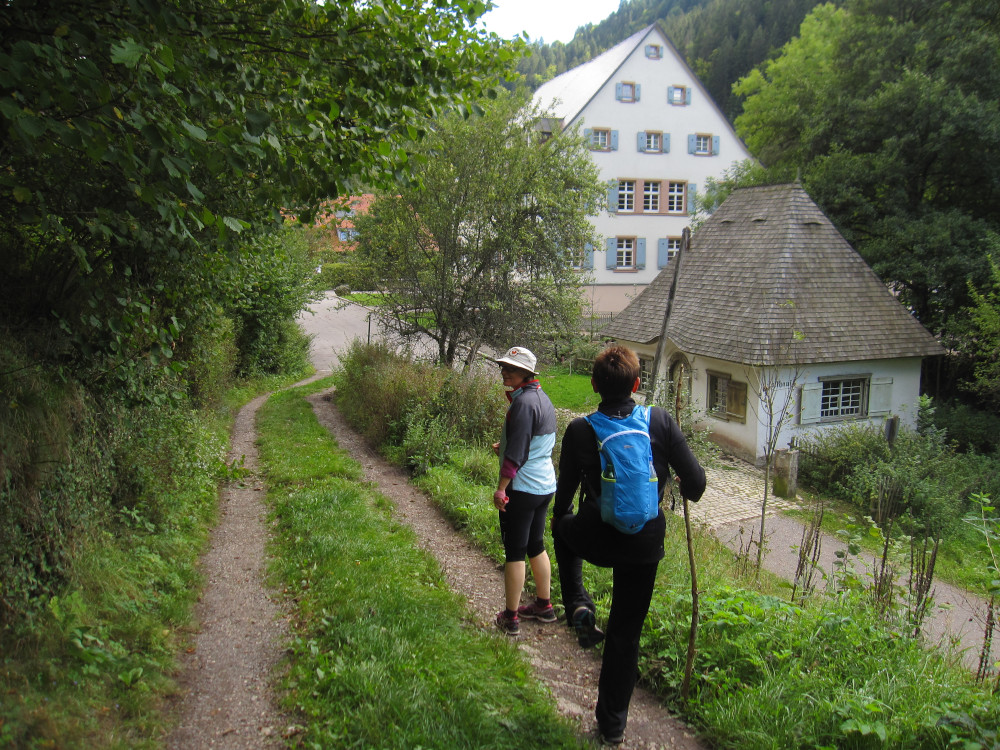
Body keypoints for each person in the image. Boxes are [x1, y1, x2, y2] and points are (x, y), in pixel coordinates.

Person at [551, 345, 706, 745]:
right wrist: (679, 485)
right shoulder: (660, 420)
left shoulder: (580, 431)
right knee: (625, 632)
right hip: (645, 542)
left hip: (599, 538)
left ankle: (578, 602)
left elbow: (564, 496)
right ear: (637, 384)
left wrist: (566, 521)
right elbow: (698, 485)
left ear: (594, 385)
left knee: (561, 525)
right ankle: (612, 727)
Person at [491, 346, 558, 636]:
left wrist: (501, 489)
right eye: (504, 366)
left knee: (515, 551)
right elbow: (534, 442)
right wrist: (503, 447)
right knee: (536, 545)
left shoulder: (522, 404)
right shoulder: (542, 399)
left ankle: (511, 617)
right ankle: (544, 605)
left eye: (512, 368)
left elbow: (517, 453)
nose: (505, 371)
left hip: (523, 487)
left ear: (527, 374)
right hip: (545, 485)